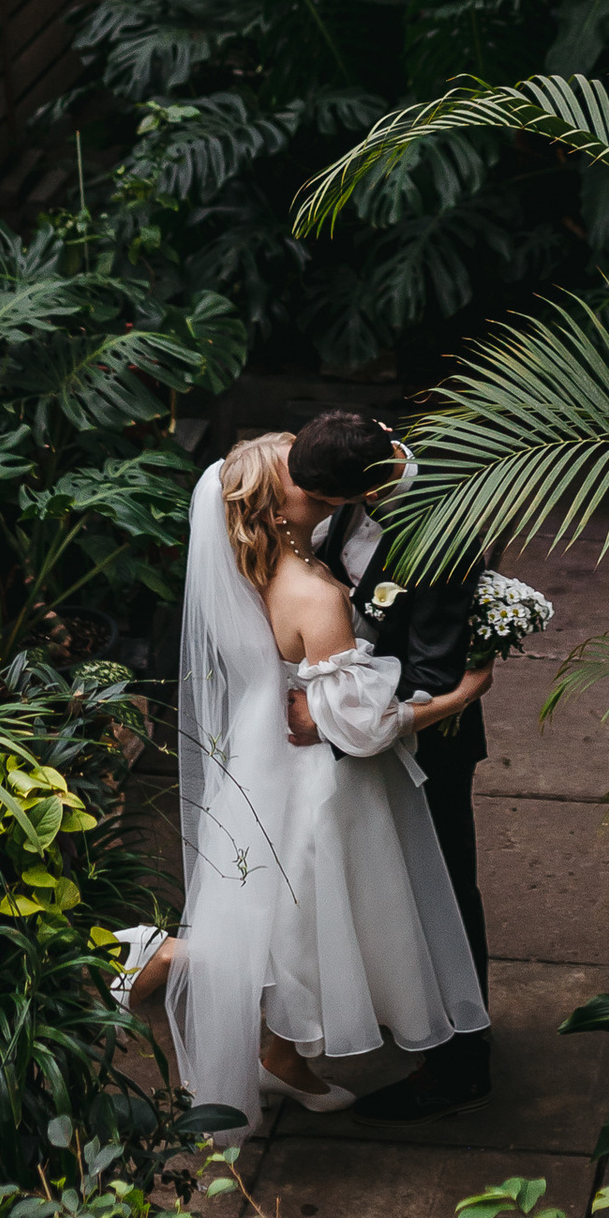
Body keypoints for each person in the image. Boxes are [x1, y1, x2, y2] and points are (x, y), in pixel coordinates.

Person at [117, 435, 491, 1137]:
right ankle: (167, 955)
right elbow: (360, 725)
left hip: (264, 750)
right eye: (307, 490)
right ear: (283, 509)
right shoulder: (315, 592)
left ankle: (278, 1053)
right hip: (317, 770)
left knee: (293, 900)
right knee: (315, 915)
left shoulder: (251, 567)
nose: (318, 495)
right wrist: (457, 695)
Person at [288, 406, 498, 1117]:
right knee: (386, 885)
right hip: (363, 721)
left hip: (426, 743)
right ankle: (409, 1015)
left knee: (444, 888)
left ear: (367, 492)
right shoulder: (357, 466)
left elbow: (437, 674)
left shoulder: (444, 532)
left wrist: (331, 716)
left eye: (327, 504)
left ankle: (464, 1060)